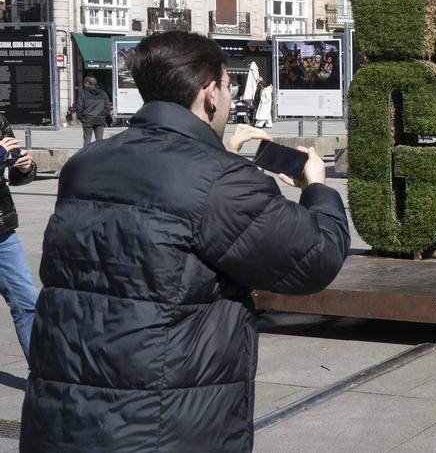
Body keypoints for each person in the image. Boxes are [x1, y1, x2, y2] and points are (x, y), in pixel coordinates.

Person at [21, 31, 350, 452]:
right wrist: (318, 187)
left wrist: (221, 159)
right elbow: (316, 257)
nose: (231, 100)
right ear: (209, 93)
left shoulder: (85, 164)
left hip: (66, 417)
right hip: (162, 426)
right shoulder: (220, 180)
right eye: (230, 87)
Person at [0, 115, 38, 360]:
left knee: (27, 303)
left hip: (2, 233)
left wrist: (24, 168)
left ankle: (43, 380)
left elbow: (12, 169)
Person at [72, 76, 111, 145]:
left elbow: (79, 107)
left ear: (87, 83)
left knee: (87, 139)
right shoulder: (103, 93)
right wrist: (103, 115)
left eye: (85, 83)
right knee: (99, 140)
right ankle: (98, 155)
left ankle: (87, 154)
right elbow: (107, 106)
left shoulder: (83, 93)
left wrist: (81, 118)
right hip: (100, 119)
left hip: (87, 119)